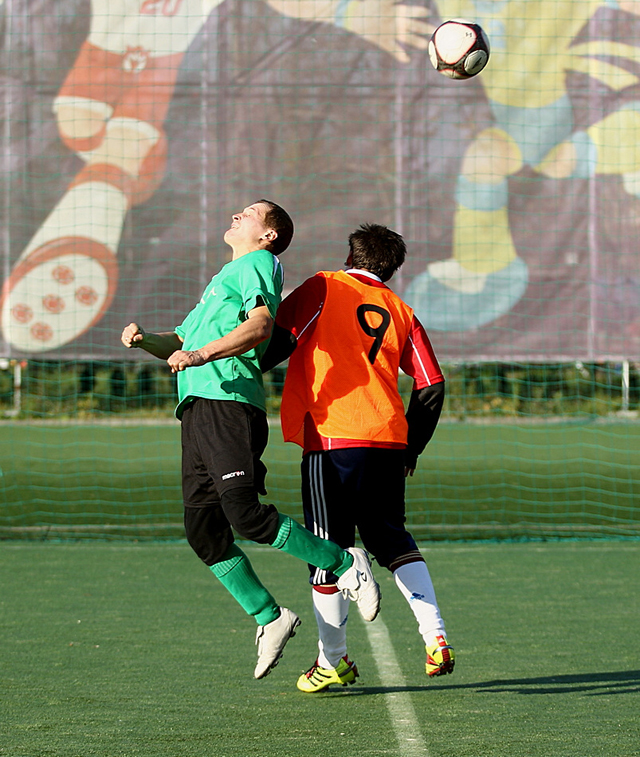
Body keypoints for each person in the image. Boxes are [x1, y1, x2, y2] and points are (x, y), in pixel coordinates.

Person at [120, 200, 380, 680]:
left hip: (229, 402)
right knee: (203, 532)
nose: (237, 215)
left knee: (243, 513)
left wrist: (201, 355)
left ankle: (345, 563)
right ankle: (269, 617)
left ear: (268, 236)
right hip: (197, 408)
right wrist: (145, 341)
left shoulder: (260, 263)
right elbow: (179, 342)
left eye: (250, 213)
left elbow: (260, 327)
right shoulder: (222, 278)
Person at [261, 222, 453, 692]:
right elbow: (431, 382)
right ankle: (436, 636)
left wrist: (226, 364)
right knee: (392, 540)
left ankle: (334, 659)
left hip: (332, 438)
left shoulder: (323, 286)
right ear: (392, 269)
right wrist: (412, 445)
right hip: (387, 439)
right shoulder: (402, 310)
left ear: (350, 255)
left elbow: (276, 341)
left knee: (327, 550)